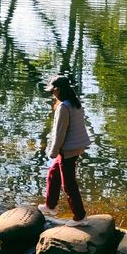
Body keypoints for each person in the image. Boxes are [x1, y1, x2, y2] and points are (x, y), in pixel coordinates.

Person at [39, 75, 90, 226]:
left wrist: (53, 152)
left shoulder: (64, 107)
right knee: (53, 174)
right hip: (75, 146)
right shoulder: (75, 103)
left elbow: (60, 133)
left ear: (58, 89)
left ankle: (80, 217)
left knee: (69, 184)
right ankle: (51, 206)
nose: (51, 93)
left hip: (67, 149)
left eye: (52, 90)